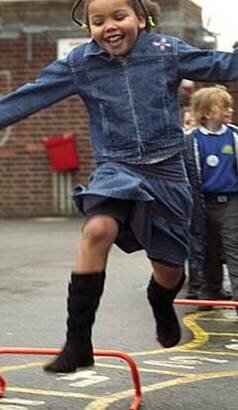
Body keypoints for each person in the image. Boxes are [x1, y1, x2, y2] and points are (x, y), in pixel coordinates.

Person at [1, 0, 238, 374]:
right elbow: (31, 95)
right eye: (98, 21)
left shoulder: (166, 52)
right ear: (89, 28)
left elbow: (224, 66)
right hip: (117, 168)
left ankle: (160, 302)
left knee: (169, 268)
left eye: (118, 16)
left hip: (167, 172)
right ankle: (78, 342)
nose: (108, 26)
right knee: (97, 229)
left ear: (141, 20)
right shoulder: (81, 63)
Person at [184, 87, 238, 306]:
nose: (228, 109)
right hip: (203, 202)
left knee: (234, 247)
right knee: (207, 247)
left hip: (231, 202)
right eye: (222, 105)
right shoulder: (191, 140)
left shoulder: (233, 135)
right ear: (205, 113)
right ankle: (210, 290)